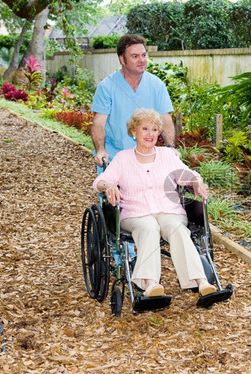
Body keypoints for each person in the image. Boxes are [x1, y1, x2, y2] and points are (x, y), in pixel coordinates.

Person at [93, 108, 217, 299]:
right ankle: (150, 284)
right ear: (134, 132)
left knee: (177, 228)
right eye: (144, 129)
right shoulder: (123, 158)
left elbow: (187, 175)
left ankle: (201, 281)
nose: (150, 134)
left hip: (168, 210)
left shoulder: (167, 156)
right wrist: (108, 186)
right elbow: (100, 182)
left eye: (154, 129)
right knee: (149, 227)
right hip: (136, 213)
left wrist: (196, 181)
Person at [91, 34, 175, 173]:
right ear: (122, 59)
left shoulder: (156, 85)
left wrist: (170, 147)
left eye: (143, 55)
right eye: (135, 56)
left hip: (147, 160)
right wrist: (101, 150)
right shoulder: (106, 87)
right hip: (114, 159)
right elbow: (99, 123)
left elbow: (165, 118)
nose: (142, 60)